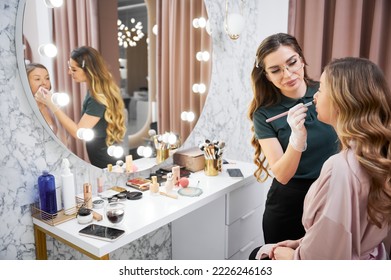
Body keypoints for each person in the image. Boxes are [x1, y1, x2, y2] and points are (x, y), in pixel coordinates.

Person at [256, 57, 391, 260]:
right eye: (275, 70)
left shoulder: (339, 168)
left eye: (322, 89)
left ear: (342, 100)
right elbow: (342, 234)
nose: (315, 96)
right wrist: (302, 242)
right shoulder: (380, 154)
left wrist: (289, 256)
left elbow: (321, 259)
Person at [247, 33, 339, 258]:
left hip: (330, 196)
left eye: (292, 63)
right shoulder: (264, 114)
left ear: (301, 59)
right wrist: (297, 138)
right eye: (276, 70)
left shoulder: (328, 94)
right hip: (288, 203)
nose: (287, 75)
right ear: (266, 76)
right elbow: (282, 174)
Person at [35, 46, 126, 168]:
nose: (69, 73)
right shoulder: (95, 90)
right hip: (104, 150)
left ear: (88, 70)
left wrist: (52, 104)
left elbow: (78, 132)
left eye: (74, 69)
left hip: (104, 156)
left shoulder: (96, 98)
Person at [26, 63, 69, 145]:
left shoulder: (53, 106)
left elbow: (65, 141)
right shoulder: (23, 110)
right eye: (37, 79)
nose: (44, 83)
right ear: (26, 82)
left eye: (47, 78)